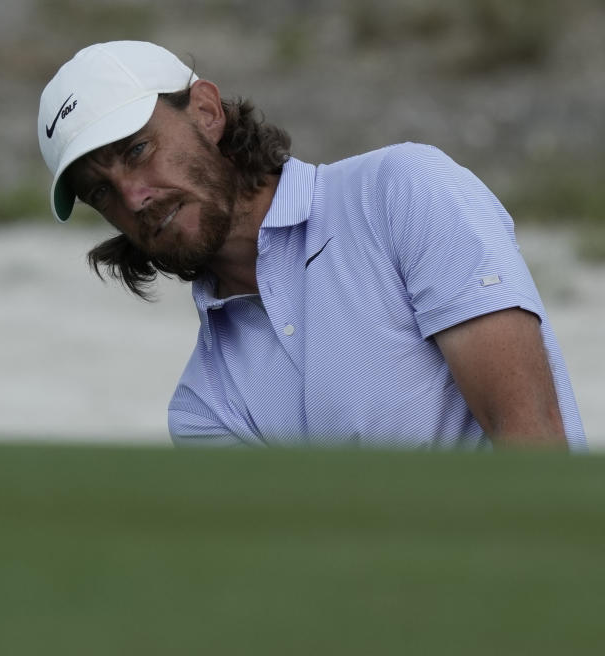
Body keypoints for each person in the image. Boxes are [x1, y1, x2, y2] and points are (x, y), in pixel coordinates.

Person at [37, 40, 586, 451]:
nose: (132, 198)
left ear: (206, 111)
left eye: (137, 150)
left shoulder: (401, 191)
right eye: (99, 191)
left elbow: (533, 444)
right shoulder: (203, 409)